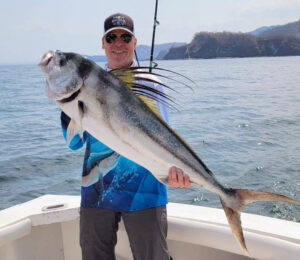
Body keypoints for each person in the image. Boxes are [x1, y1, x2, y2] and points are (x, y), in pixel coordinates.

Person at [61, 13, 190, 260]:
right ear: (103, 43)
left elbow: (163, 140)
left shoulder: (149, 83)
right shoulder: (83, 85)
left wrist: (174, 172)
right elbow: (74, 143)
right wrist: (68, 105)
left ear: (134, 42)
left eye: (125, 37)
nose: (118, 43)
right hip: (96, 190)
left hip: (145, 191)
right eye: (112, 37)